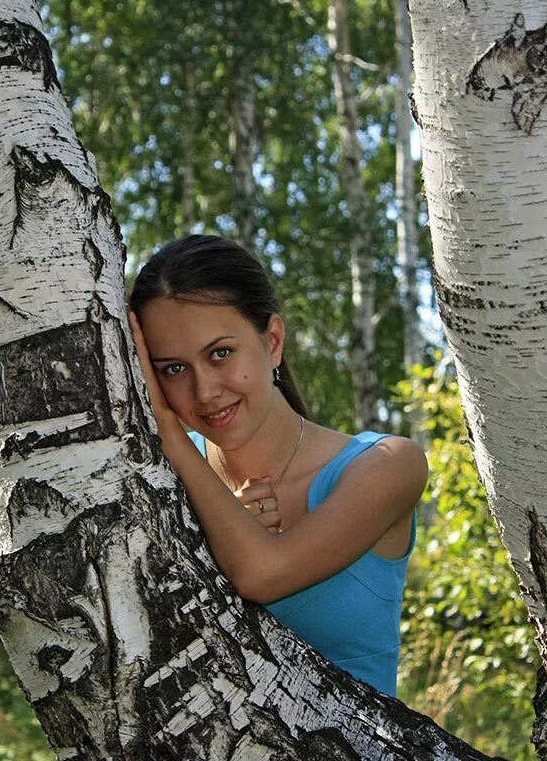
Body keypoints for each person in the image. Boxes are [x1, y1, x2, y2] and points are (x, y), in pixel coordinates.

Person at [127, 234, 428, 696]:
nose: (204, 391)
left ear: (272, 342)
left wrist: (169, 433)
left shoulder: (387, 465)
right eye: (173, 369)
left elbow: (262, 573)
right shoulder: (157, 477)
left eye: (220, 354)